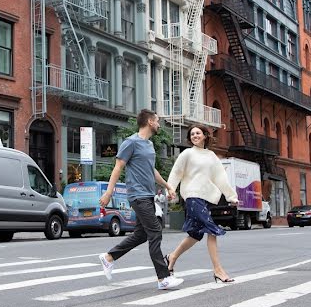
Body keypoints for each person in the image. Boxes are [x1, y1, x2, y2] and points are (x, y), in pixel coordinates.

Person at [98, 109, 182, 290]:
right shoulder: (131, 142)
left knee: (142, 234)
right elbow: (118, 167)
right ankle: (163, 278)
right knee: (155, 232)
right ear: (150, 122)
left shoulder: (149, 145)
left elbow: (152, 171)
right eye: (158, 121)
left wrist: (168, 186)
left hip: (148, 195)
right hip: (137, 195)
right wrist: (108, 192)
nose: (159, 124)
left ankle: (109, 257)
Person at [165, 125, 239, 283]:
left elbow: (220, 177)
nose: (194, 136)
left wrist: (231, 196)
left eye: (198, 133)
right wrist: (170, 191)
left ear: (205, 135)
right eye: (192, 134)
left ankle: (171, 257)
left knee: (195, 234)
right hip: (192, 196)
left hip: (204, 199)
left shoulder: (211, 156)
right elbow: (176, 172)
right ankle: (218, 270)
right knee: (212, 229)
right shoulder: (187, 154)